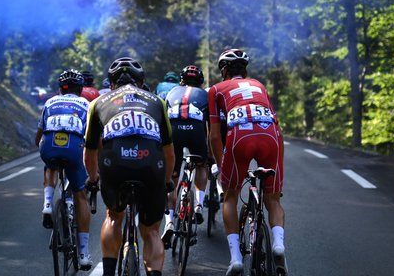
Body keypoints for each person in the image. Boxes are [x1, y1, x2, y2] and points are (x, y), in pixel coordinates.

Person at [84, 57, 175, 276]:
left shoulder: (98, 103)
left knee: (114, 217)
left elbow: (90, 152)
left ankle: (108, 272)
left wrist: (93, 178)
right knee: (152, 231)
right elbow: (169, 152)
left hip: (115, 163)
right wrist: (167, 181)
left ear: (111, 82)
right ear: (141, 81)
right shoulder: (157, 102)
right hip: (151, 163)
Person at [207, 49, 286, 276]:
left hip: (239, 136)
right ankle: (278, 244)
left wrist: (222, 169)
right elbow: (276, 124)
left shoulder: (216, 90)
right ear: (246, 70)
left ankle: (235, 259)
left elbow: (213, 135)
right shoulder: (259, 85)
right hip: (270, 135)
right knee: (273, 199)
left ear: (223, 70)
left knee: (230, 196)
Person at [35, 69, 94, 270]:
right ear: (81, 89)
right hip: (74, 149)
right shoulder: (86, 104)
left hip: (49, 145)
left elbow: (39, 133)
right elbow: (92, 139)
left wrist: (42, 148)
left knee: (50, 166)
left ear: (60, 89)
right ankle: (84, 254)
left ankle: (48, 203)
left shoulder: (50, 102)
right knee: (80, 196)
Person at [161, 65, 210, 248]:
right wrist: (209, 156)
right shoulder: (204, 94)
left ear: (181, 80)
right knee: (200, 166)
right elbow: (209, 128)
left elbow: (163, 122)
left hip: (174, 132)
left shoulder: (172, 91)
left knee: (171, 179)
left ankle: (169, 223)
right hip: (196, 132)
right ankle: (198, 204)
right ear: (200, 82)